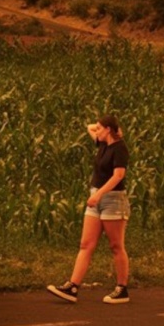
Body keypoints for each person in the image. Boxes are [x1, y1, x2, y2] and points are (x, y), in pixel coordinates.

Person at [47, 115, 131, 304]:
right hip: (96, 198)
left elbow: (118, 176)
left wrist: (98, 194)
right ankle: (73, 286)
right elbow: (89, 127)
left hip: (113, 200)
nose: (96, 131)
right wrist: (106, 128)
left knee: (116, 246)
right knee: (86, 244)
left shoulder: (119, 148)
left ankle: (122, 289)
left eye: (101, 128)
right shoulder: (102, 143)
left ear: (108, 130)